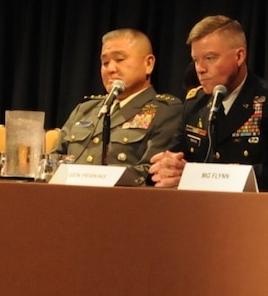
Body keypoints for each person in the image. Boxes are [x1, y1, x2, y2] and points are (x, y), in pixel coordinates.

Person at [149, 16, 268, 191]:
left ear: (239, 56)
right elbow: (176, 156)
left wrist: (197, 176)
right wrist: (167, 168)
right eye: (196, 60)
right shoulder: (195, 102)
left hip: (253, 210)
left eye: (210, 58)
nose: (200, 68)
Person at [49, 28, 182, 184]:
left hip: (125, 202)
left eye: (119, 60)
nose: (111, 69)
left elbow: (152, 172)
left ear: (148, 64)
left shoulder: (165, 110)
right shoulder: (85, 109)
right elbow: (54, 161)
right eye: (105, 62)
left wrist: (94, 179)